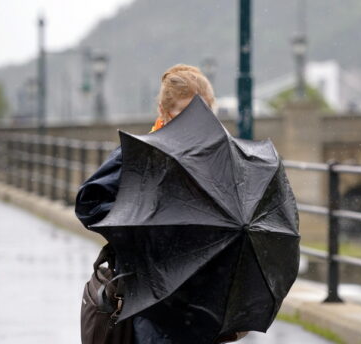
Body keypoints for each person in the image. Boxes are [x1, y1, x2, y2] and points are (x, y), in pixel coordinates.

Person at [76, 64, 245, 343]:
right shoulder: (143, 154)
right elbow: (89, 202)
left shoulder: (218, 160)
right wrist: (140, 229)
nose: (198, 120)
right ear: (165, 112)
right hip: (151, 298)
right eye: (186, 111)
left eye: (206, 111)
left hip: (201, 298)